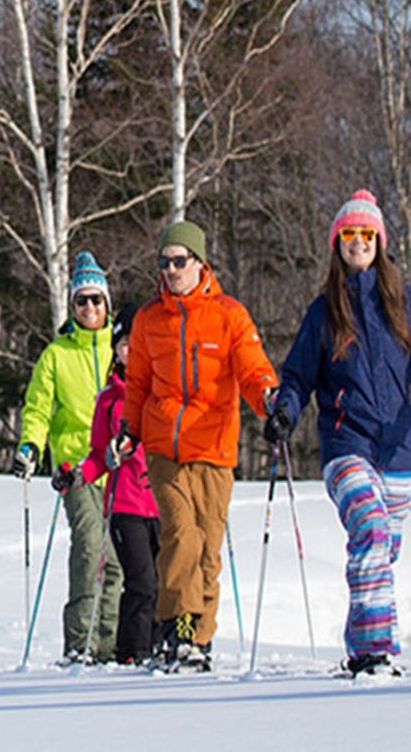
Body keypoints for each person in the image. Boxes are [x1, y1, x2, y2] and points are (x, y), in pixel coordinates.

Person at [266, 190, 411, 677]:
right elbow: (297, 377)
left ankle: (361, 645)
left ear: (380, 241)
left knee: (381, 552)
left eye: (366, 234)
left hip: (397, 447)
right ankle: (375, 651)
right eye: (349, 234)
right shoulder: (323, 310)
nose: (358, 242)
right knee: (369, 532)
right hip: (346, 443)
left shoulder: (404, 302)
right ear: (337, 244)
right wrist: (285, 413)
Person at [117, 221, 277, 671]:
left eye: (178, 261)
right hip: (164, 445)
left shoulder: (229, 314)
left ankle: (199, 640)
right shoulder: (150, 318)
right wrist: (130, 429)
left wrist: (270, 400)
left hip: (214, 446)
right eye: (164, 262)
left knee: (207, 549)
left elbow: (251, 370)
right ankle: (178, 630)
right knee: (180, 537)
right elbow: (138, 384)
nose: (170, 270)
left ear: (199, 263)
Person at [16, 251, 123, 663]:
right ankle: (80, 642)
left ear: (107, 305)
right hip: (76, 468)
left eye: (97, 300)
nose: (90, 308)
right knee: (89, 545)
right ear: (72, 307)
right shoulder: (56, 356)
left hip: (119, 469)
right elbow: (39, 409)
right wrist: (30, 447)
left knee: (115, 559)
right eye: (82, 301)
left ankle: (108, 645)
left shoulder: (122, 349)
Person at [70, 302, 159, 664]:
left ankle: (156, 647)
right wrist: (78, 475)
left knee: (165, 580)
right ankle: (132, 652)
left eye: (137, 344)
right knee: (141, 580)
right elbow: (96, 456)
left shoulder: (161, 393)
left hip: (161, 500)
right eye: (123, 344)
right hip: (125, 504)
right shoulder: (108, 400)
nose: (130, 351)